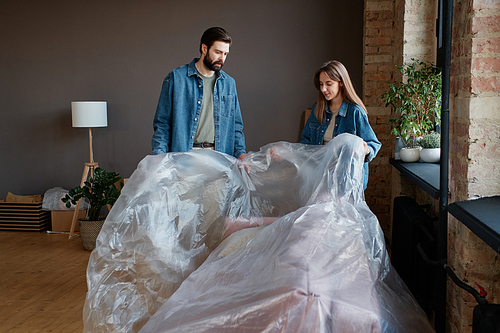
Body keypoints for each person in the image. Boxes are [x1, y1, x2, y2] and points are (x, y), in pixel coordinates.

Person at [152, 27, 247, 160]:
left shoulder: (229, 83)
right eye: (218, 52)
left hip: (220, 158)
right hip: (185, 158)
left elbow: (236, 126)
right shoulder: (176, 78)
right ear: (204, 48)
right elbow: (162, 124)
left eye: (225, 54)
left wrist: (241, 154)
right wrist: (159, 158)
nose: (222, 58)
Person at [300, 60, 381, 189]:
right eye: (321, 84)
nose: (323, 89)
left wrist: (365, 150)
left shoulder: (355, 112)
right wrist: (284, 153)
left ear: (341, 82)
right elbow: (305, 142)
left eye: (328, 84)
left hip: (347, 181)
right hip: (320, 177)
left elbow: (373, 143)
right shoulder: (317, 110)